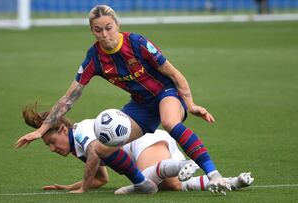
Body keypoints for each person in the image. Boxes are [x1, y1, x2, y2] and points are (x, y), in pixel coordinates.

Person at [16, 4, 231, 194]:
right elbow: (69, 98)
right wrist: (41, 131)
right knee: (101, 148)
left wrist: (190, 104)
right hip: (140, 105)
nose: (104, 34)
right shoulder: (94, 58)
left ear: (117, 25)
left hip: (167, 93)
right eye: (98, 30)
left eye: (108, 27)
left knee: (169, 122)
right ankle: (142, 184)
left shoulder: (136, 43)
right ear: (92, 31)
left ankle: (214, 174)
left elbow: (174, 74)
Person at [21, 106, 253, 194]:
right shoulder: (78, 148)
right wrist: (69, 187)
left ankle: (182, 165)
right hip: (151, 145)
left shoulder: (81, 132)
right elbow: (101, 179)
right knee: (172, 185)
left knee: (151, 183)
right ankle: (230, 182)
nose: (52, 148)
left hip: (145, 142)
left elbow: (94, 153)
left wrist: (81, 189)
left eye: (51, 142)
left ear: (63, 129)